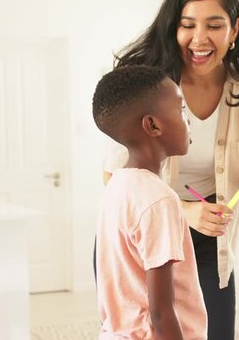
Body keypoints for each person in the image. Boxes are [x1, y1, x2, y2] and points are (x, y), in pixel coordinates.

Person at [102, 0, 239, 338]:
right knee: (142, 328)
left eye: (214, 25)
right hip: (149, 227)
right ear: (173, 27)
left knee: (214, 330)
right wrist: (184, 210)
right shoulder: (152, 86)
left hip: (213, 232)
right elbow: (114, 178)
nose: (200, 38)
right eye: (187, 25)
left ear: (234, 29)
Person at [93, 65, 208, 339]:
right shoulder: (159, 199)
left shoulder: (117, 186)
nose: (188, 118)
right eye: (181, 109)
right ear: (153, 125)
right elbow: (161, 313)